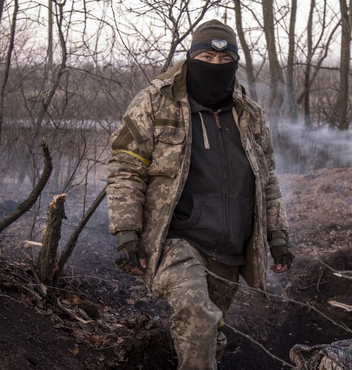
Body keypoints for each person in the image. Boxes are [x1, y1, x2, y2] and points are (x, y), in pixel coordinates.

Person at [106, 19, 294, 370]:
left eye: (226, 61)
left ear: (235, 64)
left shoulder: (249, 114)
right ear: (191, 57)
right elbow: (126, 169)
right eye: (207, 56)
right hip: (177, 238)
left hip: (231, 247)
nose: (216, 66)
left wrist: (278, 236)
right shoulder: (155, 102)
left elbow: (267, 180)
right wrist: (127, 233)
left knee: (211, 329)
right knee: (199, 316)